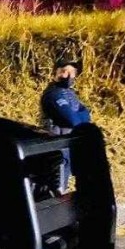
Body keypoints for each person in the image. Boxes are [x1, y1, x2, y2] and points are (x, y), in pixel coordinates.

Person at [39, 59, 92, 194]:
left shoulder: (70, 94)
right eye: (63, 71)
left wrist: (81, 115)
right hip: (55, 145)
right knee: (55, 187)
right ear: (55, 73)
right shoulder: (53, 94)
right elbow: (73, 120)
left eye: (71, 72)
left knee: (64, 181)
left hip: (67, 144)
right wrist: (81, 115)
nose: (68, 75)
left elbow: (87, 116)